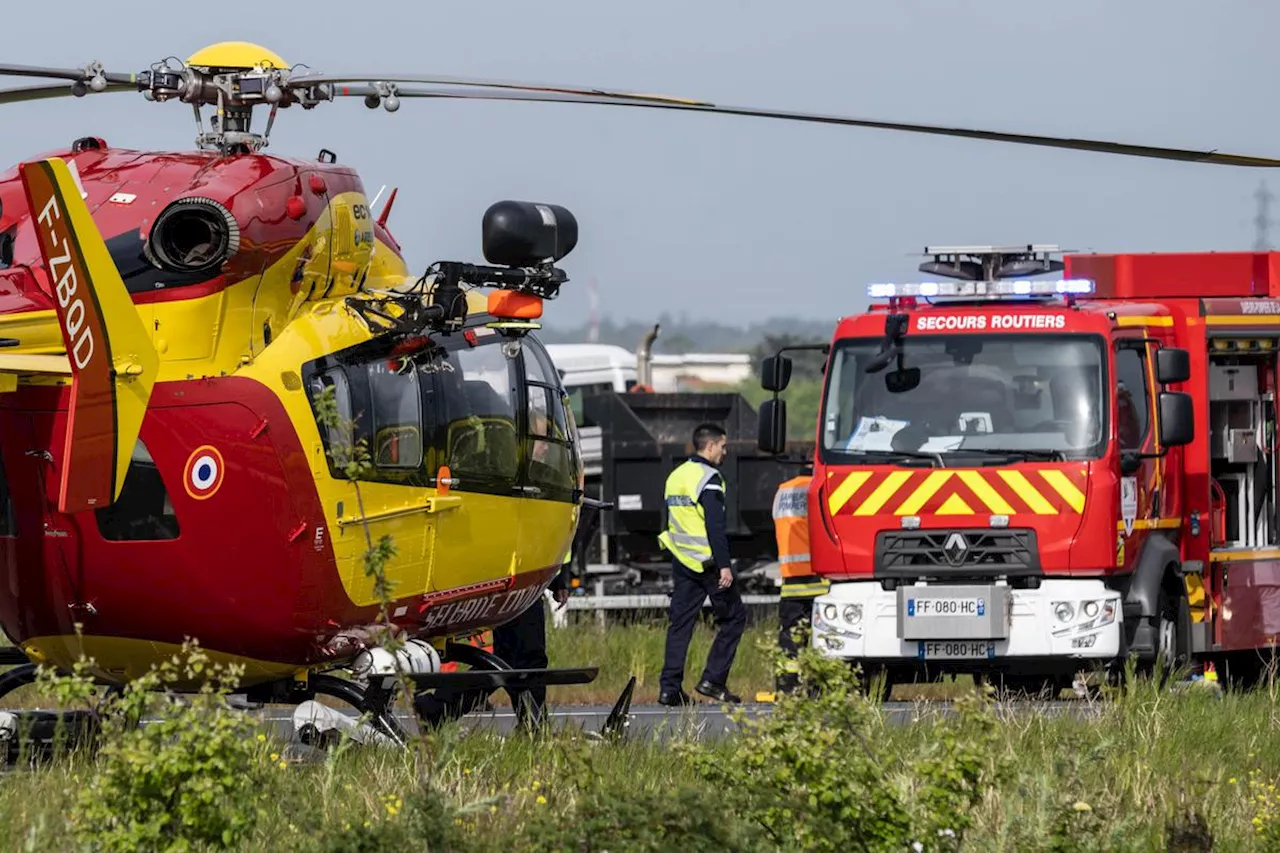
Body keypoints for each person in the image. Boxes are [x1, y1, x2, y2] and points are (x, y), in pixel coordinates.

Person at [657, 423, 747, 706]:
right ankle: (713, 680)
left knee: (680, 625)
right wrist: (724, 566)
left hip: (682, 560)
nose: (725, 451)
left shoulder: (676, 475)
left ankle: (669, 689)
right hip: (708, 563)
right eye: (722, 446)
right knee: (735, 617)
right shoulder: (709, 477)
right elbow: (715, 526)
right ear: (709, 446)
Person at [492, 549, 571, 731]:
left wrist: (555, 582)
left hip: (519, 585)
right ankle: (534, 725)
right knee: (524, 660)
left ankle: (534, 723)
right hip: (518, 586)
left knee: (505, 661)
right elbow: (528, 546)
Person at [771, 473, 829, 693]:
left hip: (791, 579)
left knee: (789, 637)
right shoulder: (820, 488)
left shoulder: (782, 491)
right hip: (819, 577)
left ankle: (787, 687)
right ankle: (818, 687)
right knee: (821, 636)